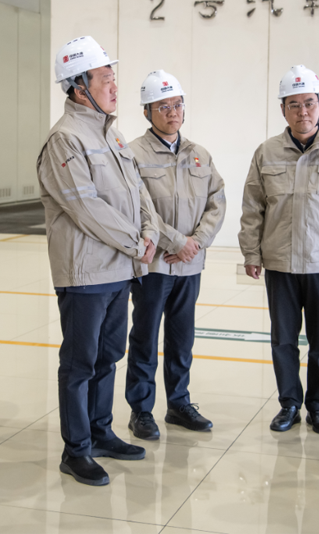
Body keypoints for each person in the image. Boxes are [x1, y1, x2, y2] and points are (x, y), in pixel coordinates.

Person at [37, 36, 159, 487]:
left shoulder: (112, 134)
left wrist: (150, 231)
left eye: (113, 77)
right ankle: (76, 450)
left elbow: (138, 191)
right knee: (80, 362)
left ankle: (100, 432)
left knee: (108, 355)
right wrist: (136, 243)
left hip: (118, 268)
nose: (114, 85)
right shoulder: (65, 139)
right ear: (78, 86)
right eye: (105, 78)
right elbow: (85, 206)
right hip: (86, 272)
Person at [238, 66, 319, 435]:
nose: (303, 111)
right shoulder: (267, 152)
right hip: (281, 264)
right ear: (283, 109)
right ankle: (289, 403)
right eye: (294, 105)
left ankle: (318, 407)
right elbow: (253, 206)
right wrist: (251, 252)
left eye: (309, 103)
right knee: (283, 341)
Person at [126, 70, 226, 440]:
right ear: (147, 112)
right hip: (153, 264)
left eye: (177, 105)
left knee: (182, 339)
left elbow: (217, 201)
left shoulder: (199, 154)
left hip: (189, 265)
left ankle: (179, 403)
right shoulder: (132, 154)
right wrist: (175, 242)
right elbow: (138, 207)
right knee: (145, 337)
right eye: (163, 106)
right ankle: (141, 410)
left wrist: (196, 242)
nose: (173, 112)